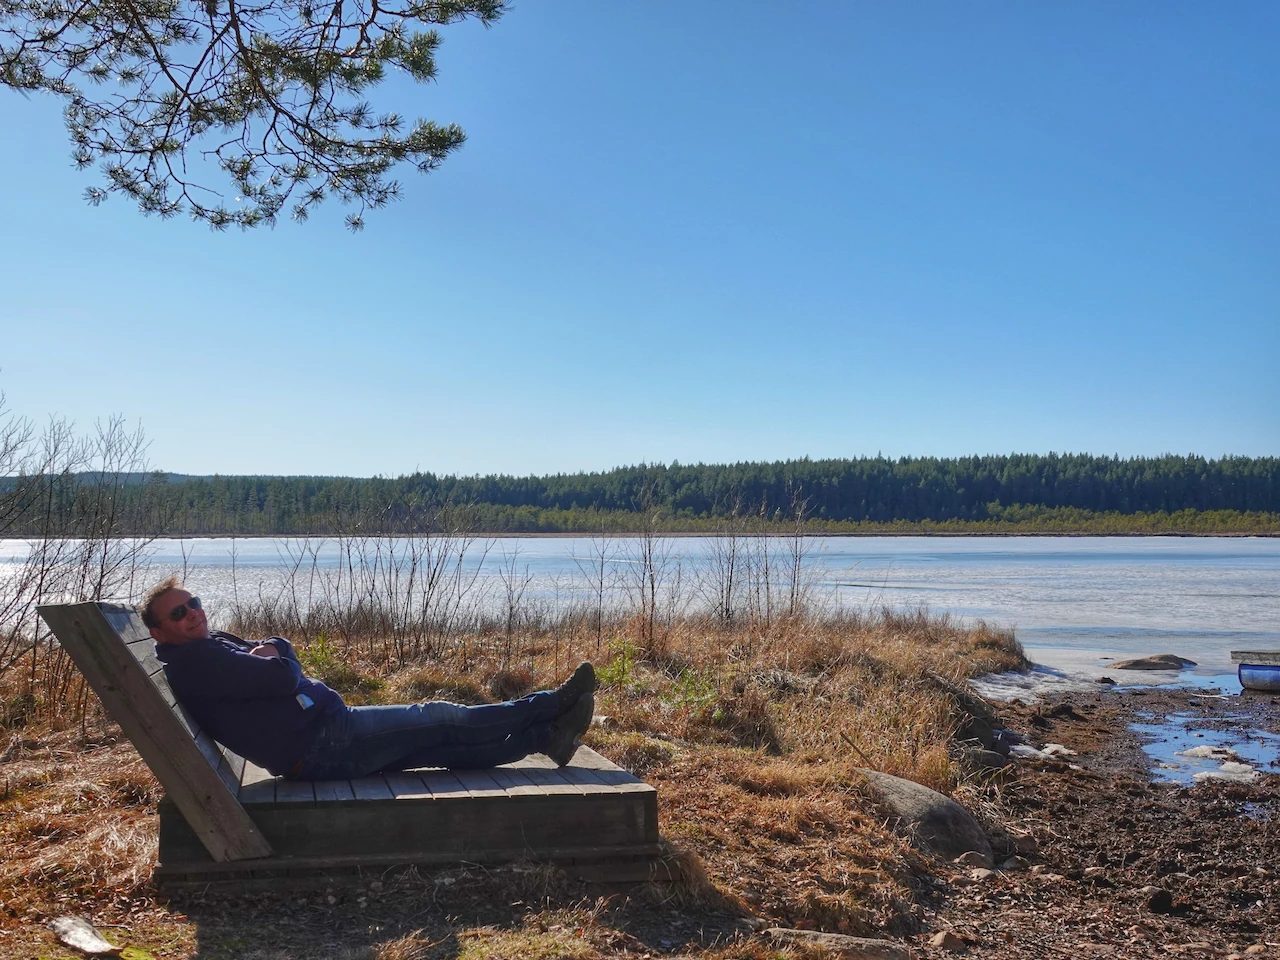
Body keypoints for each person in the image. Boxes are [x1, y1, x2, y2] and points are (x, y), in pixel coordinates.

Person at [141, 576, 595, 780]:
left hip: (318, 741)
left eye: (194, 603)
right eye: (178, 613)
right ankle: (550, 706)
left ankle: (545, 739)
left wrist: (276, 652)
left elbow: (279, 650)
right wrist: (278, 659)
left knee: (444, 749)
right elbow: (282, 676)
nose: (192, 614)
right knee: (439, 717)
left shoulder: (206, 645)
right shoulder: (199, 661)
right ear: (158, 631)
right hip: (322, 744)